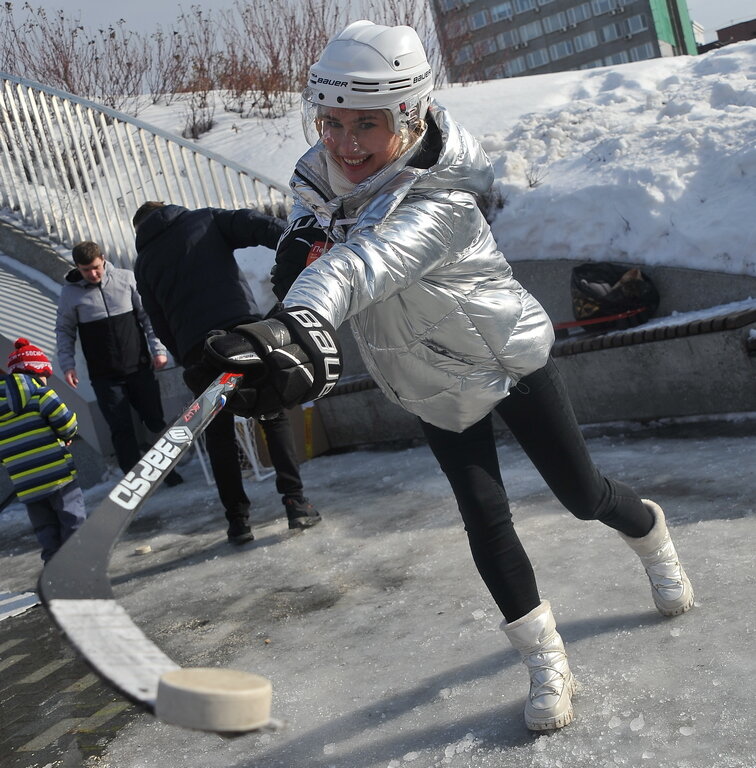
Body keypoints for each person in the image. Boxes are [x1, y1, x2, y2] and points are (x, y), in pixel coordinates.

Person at [192, 20, 695, 732]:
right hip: (425, 374)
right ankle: (545, 660)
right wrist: (278, 317)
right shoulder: (320, 175)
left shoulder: (447, 198)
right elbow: (312, 249)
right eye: (330, 122)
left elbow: (363, 264)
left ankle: (653, 537)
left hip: (504, 357)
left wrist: (302, 316)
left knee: (583, 496)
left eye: (366, 124)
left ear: (411, 115)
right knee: (484, 516)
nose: (345, 142)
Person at [131, 201, 322, 544]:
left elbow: (158, 322)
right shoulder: (203, 219)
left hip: (199, 350)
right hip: (240, 333)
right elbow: (255, 225)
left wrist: (188, 359)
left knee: (218, 434)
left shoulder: (143, 263)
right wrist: (293, 243)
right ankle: (295, 503)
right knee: (271, 413)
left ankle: (237, 521)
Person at [55, 241, 183, 486]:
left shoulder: (125, 279)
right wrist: (67, 365)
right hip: (104, 375)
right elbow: (64, 331)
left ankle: (169, 472)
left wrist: (158, 350)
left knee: (155, 420)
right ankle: (133, 481)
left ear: (103, 259)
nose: (92, 274)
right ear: (77, 269)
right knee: (121, 428)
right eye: (85, 270)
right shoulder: (70, 294)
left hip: (139, 366)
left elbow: (148, 318)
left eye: (95, 267)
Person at [0, 338, 87, 564]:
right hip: (58, 476)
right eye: (45, 376)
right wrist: (65, 436)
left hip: (25, 483)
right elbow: (67, 424)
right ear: (35, 372)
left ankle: (53, 568)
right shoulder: (42, 394)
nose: (46, 381)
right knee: (72, 519)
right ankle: (77, 562)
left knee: (45, 528)